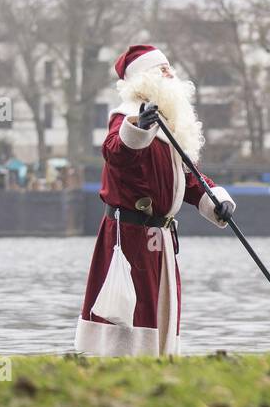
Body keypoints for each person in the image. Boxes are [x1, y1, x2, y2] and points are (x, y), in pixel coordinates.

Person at [74, 44, 234, 356]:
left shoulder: (169, 126)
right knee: (131, 313)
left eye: (169, 67)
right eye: (162, 69)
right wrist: (138, 127)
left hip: (159, 236)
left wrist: (215, 201)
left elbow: (187, 178)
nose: (171, 73)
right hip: (129, 234)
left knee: (157, 307)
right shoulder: (127, 117)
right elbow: (114, 153)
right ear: (144, 79)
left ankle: (157, 361)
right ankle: (120, 366)